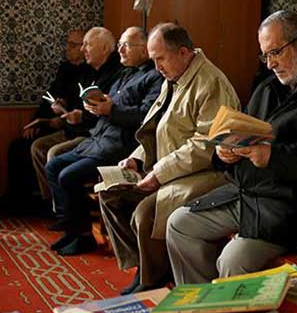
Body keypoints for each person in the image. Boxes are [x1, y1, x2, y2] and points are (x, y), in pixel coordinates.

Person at [166, 10, 297, 284]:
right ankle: (203, 303)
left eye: (275, 53)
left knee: (233, 259)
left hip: (290, 206)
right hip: (246, 192)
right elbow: (241, 129)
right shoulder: (268, 88)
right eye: (265, 55)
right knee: (179, 224)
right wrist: (226, 153)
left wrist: (273, 156)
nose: (270, 64)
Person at [99, 23, 239, 294]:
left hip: (206, 173)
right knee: (111, 195)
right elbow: (156, 126)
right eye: (153, 59)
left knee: (145, 213)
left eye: (160, 58)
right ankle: (146, 265)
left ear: (184, 52)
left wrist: (159, 172)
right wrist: (136, 160)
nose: (157, 67)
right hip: (171, 167)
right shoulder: (173, 77)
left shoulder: (211, 82)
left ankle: (151, 279)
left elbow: (205, 145)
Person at [45, 27, 163, 256]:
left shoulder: (153, 77)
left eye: (126, 45)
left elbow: (146, 116)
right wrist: (95, 107)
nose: (120, 49)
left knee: (68, 175)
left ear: (144, 50)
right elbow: (107, 105)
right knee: (53, 165)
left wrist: (111, 109)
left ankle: (84, 236)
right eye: (119, 43)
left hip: (119, 146)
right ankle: (71, 231)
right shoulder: (124, 73)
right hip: (98, 139)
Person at [30, 27, 124, 208]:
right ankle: (53, 205)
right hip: (78, 128)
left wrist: (80, 117)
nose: (82, 49)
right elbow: (80, 103)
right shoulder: (89, 71)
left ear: (104, 49)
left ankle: (63, 210)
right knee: (38, 146)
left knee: (54, 154)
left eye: (87, 45)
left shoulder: (116, 74)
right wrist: (66, 109)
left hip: (93, 134)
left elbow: (105, 113)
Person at [2, 29, 91, 209]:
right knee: (18, 146)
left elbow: (83, 106)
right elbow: (49, 96)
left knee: (37, 148)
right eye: (68, 43)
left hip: (74, 127)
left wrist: (62, 116)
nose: (68, 48)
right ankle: (19, 197)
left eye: (73, 45)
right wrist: (35, 121)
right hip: (54, 122)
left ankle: (49, 202)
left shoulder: (88, 71)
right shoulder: (65, 68)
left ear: (83, 47)